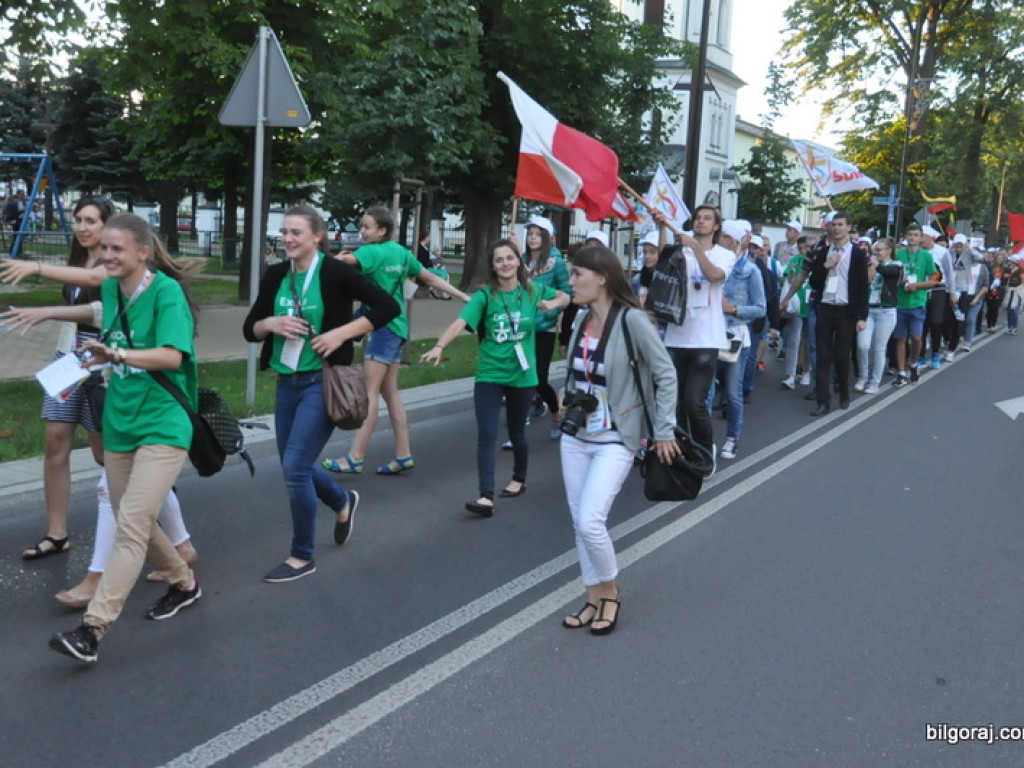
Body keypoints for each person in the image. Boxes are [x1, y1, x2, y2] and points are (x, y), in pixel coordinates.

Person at [1, 207, 197, 604]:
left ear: (133, 245)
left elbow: (104, 297)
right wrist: (48, 314)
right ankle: (177, 558)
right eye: (79, 221)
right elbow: (97, 307)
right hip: (87, 367)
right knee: (80, 458)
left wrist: (36, 269)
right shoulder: (101, 269)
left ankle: (98, 597)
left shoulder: (122, 275)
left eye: (93, 222)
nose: (84, 229)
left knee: (119, 494)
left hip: (128, 381)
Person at [47, 213, 204, 663]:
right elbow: (112, 346)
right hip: (120, 420)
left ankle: (91, 631)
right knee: (127, 513)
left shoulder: (167, 294)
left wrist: (115, 351)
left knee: (131, 526)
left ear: (142, 252)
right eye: (105, 248)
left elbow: (172, 357)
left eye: (117, 249)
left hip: (163, 422)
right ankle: (184, 582)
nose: (108, 255)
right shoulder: (113, 289)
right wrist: (95, 357)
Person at [244, 205, 400, 582]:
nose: (287, 239)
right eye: (283, 232)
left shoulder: (334, 271)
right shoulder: (277, 274)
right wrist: (271, 323)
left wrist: (342, 333)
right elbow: (250, 329)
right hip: (287, 382)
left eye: (295, 232)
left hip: (323, 382)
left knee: (295, 468)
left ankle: (302, 555)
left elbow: (387, 306)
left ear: (317, 236)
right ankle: (341, 501)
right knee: (292, 465)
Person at [558, 245, 678, 635]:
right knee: (579, 522)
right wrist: (566, 395)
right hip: (577, 435)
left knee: (592, 520)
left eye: (578, 275)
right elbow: (575, 369)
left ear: (602, 278)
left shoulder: (632, 321)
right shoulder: (579, 318)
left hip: (617, 435)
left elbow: (666, 374)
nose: (572, 281)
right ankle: (592, 597)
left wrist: (662, 429)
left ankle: (609, 591)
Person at [421, 238, 568, 517]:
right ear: (492, 265)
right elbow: (460, 321)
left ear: (518, 262)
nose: (505, 264)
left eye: (509, 258)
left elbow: (565, 296)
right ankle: (485, 496)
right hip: (489, 373)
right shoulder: (484, 296)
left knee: (517, 432)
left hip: (522, 375)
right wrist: (440, 346)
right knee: (487, 434)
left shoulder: (532, 290)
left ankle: (519, 478)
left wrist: (553, 303)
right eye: (499, 260)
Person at [322, 206, 467, 476]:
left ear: (382, 230)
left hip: (381, 328)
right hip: (399, 328)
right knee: (390, 393)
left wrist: (327, 255)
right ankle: (403, 454)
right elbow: (430, 277)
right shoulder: (401, 252)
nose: (362, 232)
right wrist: (461, 295)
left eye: (367, 227)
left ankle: (355, 456)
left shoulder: (370, 252)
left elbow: (338, 265)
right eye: (362, 226)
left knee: (370, 393)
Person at [651, 206, 734, 476]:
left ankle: (705, 451)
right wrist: (663, 227)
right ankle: (684, 451)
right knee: (674, 403)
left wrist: (695, 248)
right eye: (698, 217)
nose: (701, 222)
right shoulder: (682, 248)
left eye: (707, 218)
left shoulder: (724, 254)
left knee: (694, 402)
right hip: (676, 337)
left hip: (706, 339)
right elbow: (661, 265)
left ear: (716, 226)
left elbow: (713, 276)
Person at [516, 215, 570, 438]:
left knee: (539, 376)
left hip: (545, 328)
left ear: (547, 238)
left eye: (538, 234)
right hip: (522, 327)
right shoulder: (521, 261)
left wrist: (552, 308)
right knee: (521, 372)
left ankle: (556, 412)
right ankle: (520, 416)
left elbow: (568, 292)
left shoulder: (556, 263)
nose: (532, 238)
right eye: (530, 234)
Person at [715, 222, 765, 460]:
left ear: (735, 240)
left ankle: (732, 438)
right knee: (704, 392)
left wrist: (733, 309)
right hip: (709, 333)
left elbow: (760, 308)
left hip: (735, 336)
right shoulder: (713, 263)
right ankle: (702, 443)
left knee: (733, 392)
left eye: (725, 236)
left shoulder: (750, 270)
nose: (720, 239)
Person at [891, 222, 938, 388]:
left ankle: (914, 363)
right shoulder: (899, 254)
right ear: (906, 236)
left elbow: (934, 280)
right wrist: (899, 280)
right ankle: (902, 372)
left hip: (918, 302)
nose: (912, 238)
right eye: (910, 234)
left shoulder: (926, 256)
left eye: (916, 235)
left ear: (921, 238)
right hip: (900, 303)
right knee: (900, 338)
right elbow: (891, 276)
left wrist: (917, 285)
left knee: (917, 338)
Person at [855, 237, 901, 394]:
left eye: (880, 250)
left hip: (886, 311)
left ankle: (874, 382)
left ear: (889, 251)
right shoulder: (871, 265)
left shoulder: (896, 265)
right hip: (869, 309)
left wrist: (877, 265)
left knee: (879, 348)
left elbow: (891, 272)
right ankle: (862, 376)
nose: (877, 252)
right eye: (875, 250)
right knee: (862, 345)